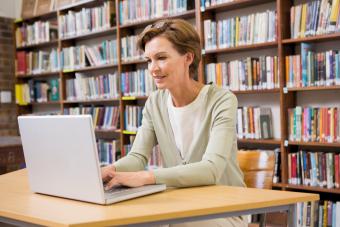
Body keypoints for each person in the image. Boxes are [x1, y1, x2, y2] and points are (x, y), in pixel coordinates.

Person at [101, 19, 247, 226]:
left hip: (224, 209)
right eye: (148, 60)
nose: (153, 68)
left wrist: (147, 177)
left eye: (161, 58)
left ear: (188, 57)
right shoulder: (154, 102)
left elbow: (211, 169)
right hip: (179, 203)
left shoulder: (222, 100)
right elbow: (137, 156)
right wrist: (109, 170)